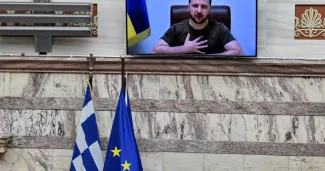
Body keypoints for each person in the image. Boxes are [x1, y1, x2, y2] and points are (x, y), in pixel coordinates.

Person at [152, 0, 243, 56]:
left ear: (209, 9)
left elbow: (238, 52)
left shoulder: (220, 28)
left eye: (203, 6)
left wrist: (208, 59)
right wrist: (184, 49)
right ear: (188, 8)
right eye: (195, 6)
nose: (199, 11)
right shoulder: (177, 28)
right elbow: (155, 50)